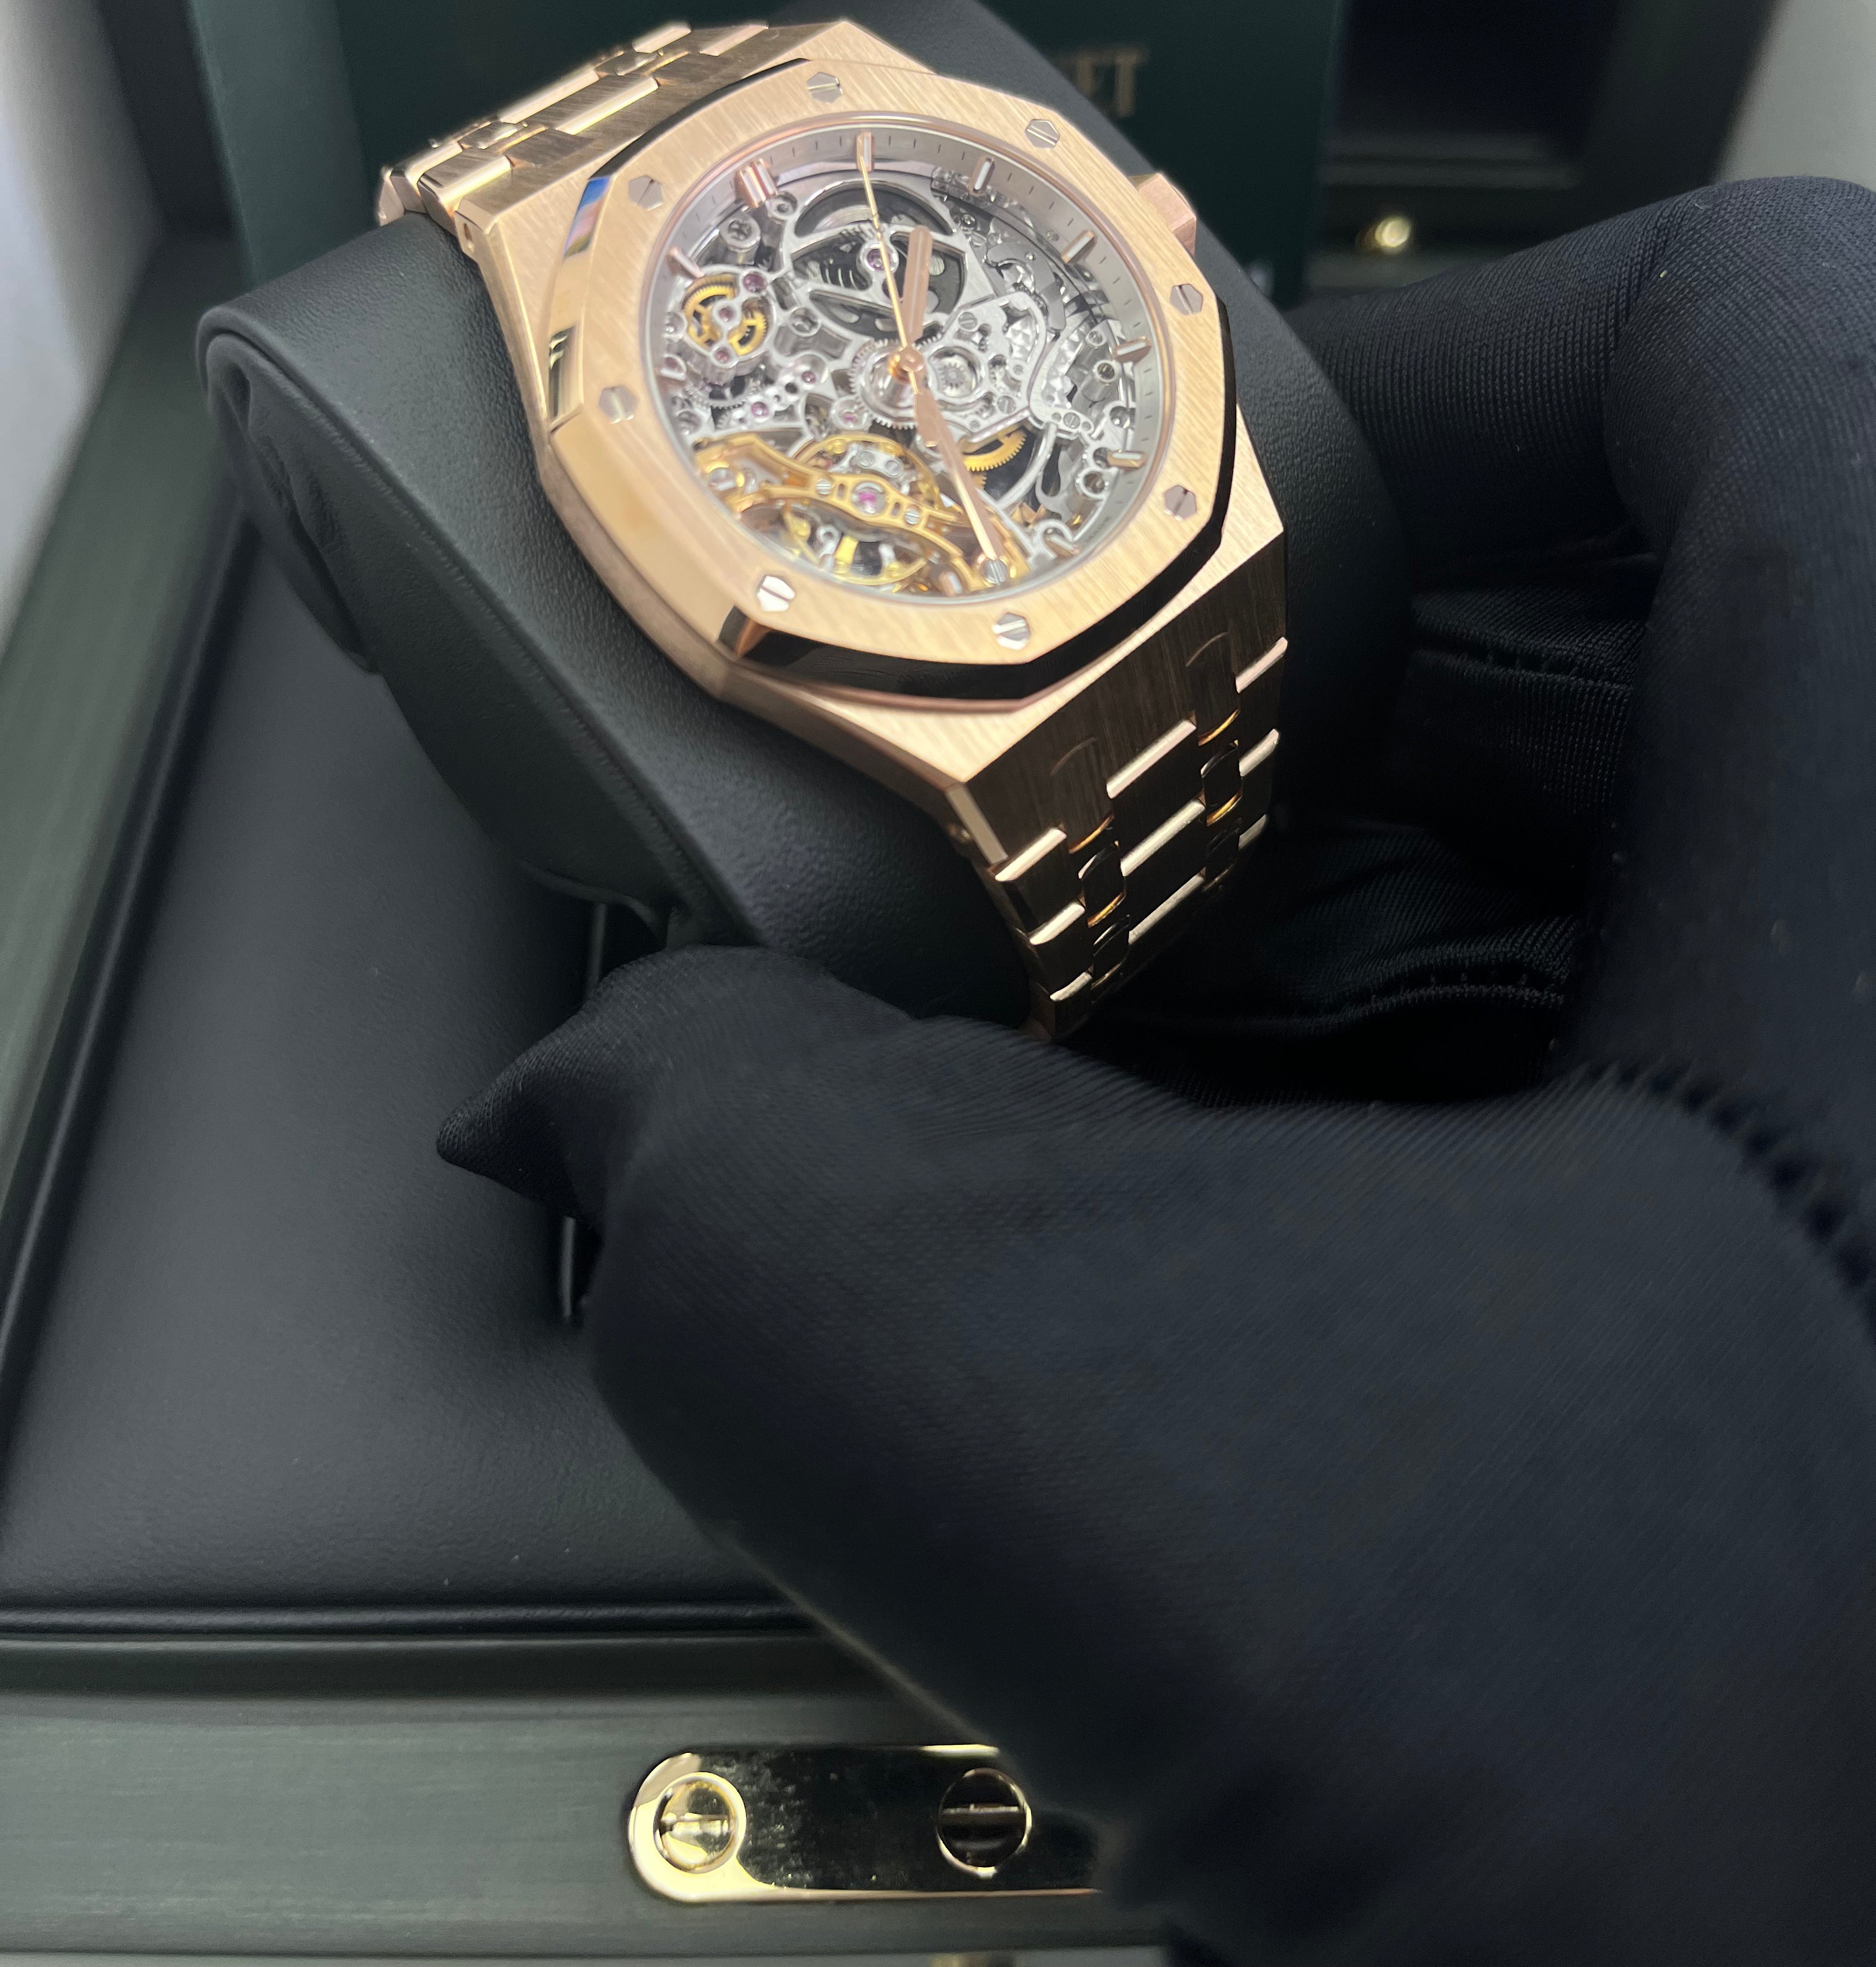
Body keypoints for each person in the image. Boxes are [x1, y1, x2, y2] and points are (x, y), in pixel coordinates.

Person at [445, 167, 1876, 1964]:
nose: (906, 366)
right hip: (858, 575)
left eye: (927, 332)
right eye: (889, 345)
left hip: (1021, 547)